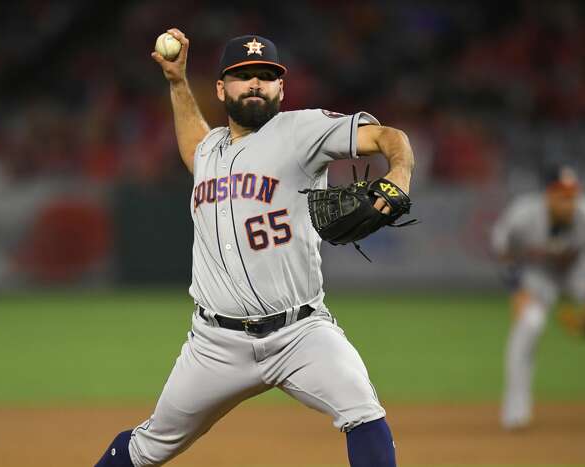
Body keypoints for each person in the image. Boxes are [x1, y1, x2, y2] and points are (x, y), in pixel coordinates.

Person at [94, 29, 415, 467]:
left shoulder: (302, 130)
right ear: (222, 89)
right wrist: (176, 82)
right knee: (149, 447)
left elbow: (387, 136)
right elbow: (193, 142)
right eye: (244, 76)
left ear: (281, 88)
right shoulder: (210, 151)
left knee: (363, 412)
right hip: (214, 344)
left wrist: (399, 171)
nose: (256, 84)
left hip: (300, 333)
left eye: (266, 75)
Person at [491, 164, 585, 430]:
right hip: (539, 275)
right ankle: (516, 411)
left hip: (578, 273)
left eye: (572, 194)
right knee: (531, 322)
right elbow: (501, 250)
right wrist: (517, 291)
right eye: (561, 194)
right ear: (547, 194)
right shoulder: (523, 214)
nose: (568, 201)